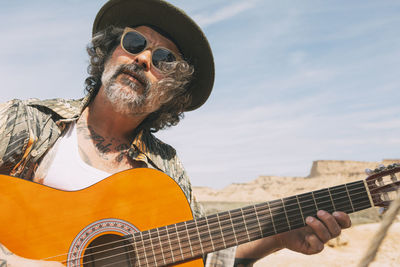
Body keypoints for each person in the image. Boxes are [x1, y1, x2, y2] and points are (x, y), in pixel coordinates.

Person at [0, 0, 351, 266]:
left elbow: (199, 252)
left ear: (172, 91)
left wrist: (279, 237)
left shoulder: (166, 172)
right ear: (108, 53)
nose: (143, 59)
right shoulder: (25, 119)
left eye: (165, 60)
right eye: (134, 42)